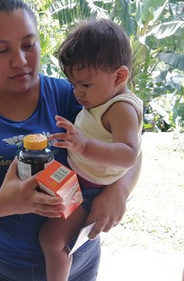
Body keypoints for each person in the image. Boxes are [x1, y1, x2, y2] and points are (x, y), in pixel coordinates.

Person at [0, 0, 142, 280]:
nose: (21, 61)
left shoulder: (70, 95)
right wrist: (4, 202)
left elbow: (130, 143)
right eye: (1, 50)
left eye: (29, 44)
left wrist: (120, 190)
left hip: (78, 264)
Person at [38, 19, 143, 281]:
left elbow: (130, 153)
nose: (77, 93)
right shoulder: (103, 98)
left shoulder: (121, 109)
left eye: (85, 85)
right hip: (78, 177)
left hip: (90, 190)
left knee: (52, 240)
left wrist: (83, 145)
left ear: (119, 76)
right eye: (74, 85)